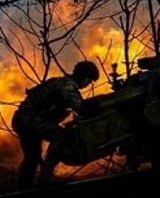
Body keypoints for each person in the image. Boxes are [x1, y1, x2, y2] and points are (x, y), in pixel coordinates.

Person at [11, 60, 99, 189]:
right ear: (84, 77)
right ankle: (45, 177)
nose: (87, 85)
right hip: (29, 120)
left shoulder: (59, 83)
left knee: (32, 156)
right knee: (60, 135)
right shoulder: (67, 86)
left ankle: (23, 186)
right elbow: (81, 108)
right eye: (89, 81)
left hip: (21, 120)